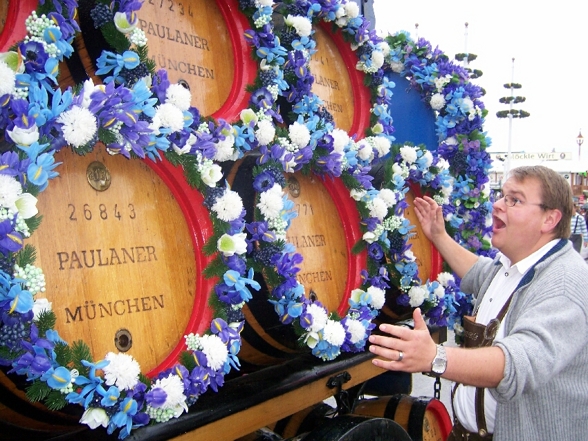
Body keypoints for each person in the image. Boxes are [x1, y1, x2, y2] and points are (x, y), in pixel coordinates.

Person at [368, 165, 588, 440]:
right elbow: (478, 272)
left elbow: (520, 363)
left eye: (514, 200)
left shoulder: (564, 282)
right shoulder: (512, 265)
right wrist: (439, 236)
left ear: (549, 219)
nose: (497, 205)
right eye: (501, 195)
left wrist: (435, 357)